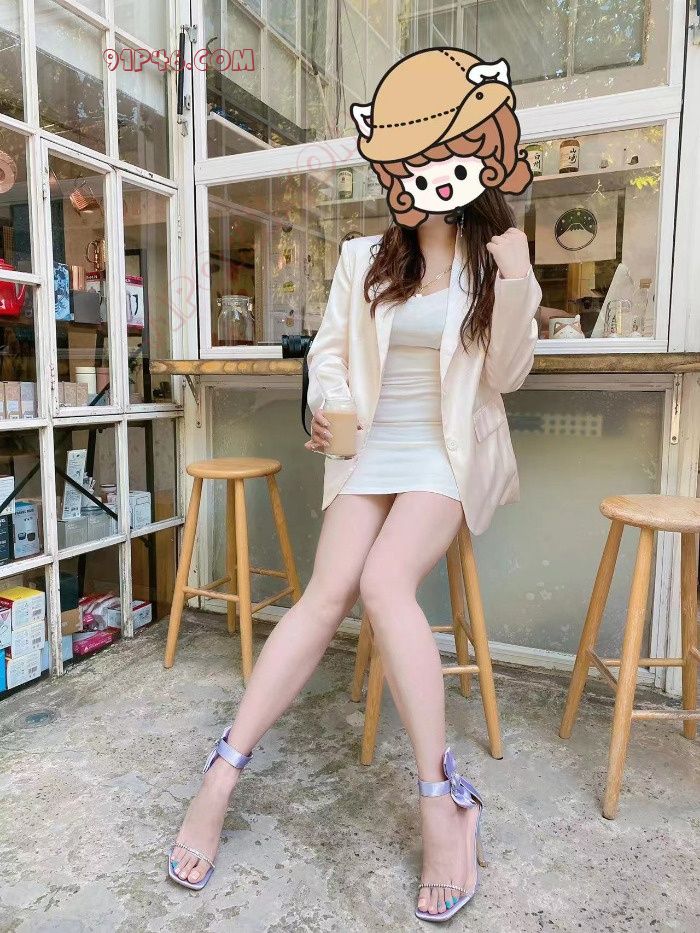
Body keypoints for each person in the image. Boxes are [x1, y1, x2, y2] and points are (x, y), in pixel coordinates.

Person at [168, 47, 542, 922]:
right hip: (370, 452)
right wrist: (328, 412)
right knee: (323, 594)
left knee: (383, 582)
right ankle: (221, 773)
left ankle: (442, 801)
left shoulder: (492, 262)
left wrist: (520, 277)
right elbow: (332, 356)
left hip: (445, 455)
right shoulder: (363, 257)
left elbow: (509, 375)